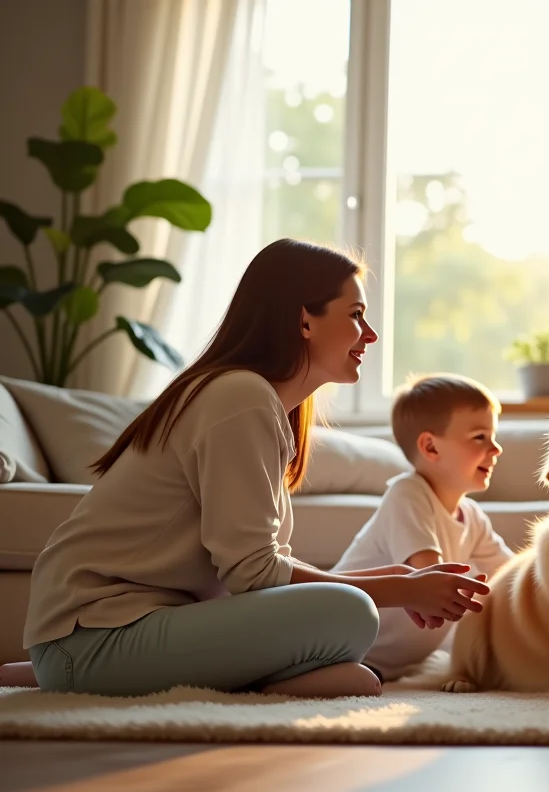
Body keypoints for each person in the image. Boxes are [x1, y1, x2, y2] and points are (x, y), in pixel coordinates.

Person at [0, 239, 489, 698]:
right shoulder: (240, 398)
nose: (371, 334)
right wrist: (402, 588)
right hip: (98, 632)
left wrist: (405, 578)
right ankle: (76, 675)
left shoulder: (260, 404)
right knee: (353, 616)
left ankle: (73, 676)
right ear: (305, 321)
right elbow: (255, 574)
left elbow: (252, 568)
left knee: (355, 674)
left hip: (129, 629)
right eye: (356, 315)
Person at [330, 373, 514, 682]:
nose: (496, 449)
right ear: (430, 447)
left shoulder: (472, 516)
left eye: (493, 437)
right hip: (334, 640)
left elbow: (513, 578)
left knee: (365, 682)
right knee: (352, 683)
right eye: (480, 437)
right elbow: (433, 582)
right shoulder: (408, 494)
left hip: (390, 668)